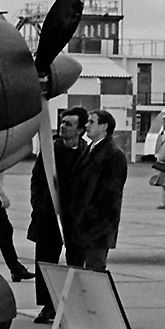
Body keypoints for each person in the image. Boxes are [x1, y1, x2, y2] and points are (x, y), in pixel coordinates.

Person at [27, 106, 88, 323]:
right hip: (49, 216)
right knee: (45, 261)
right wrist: (38, 204)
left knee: (76, 261)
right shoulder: (50, 149)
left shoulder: (87, 153)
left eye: (68, 124)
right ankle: (47, 305)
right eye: (62, 122)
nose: (63, 126)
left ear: (80, 129)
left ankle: (74, 305)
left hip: (75, 218)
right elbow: (36, 179)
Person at [66, 109, 127, 272]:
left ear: (104, 126)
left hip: (98, 227)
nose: (86, 125)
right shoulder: (89, 149)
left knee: (94, 270)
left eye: (91, 122)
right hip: (82, 225)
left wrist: (91, 216)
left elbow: (111, 195)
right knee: (78, 272)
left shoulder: (113, 155)